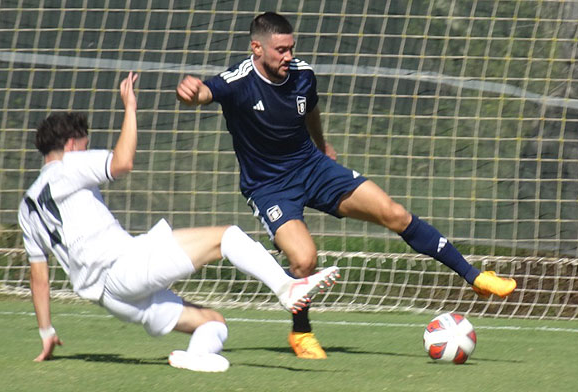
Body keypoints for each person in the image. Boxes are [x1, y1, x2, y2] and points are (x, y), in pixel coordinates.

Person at [176, 12, 517, 360]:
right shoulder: (238, 81)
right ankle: (301, 332)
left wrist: (321, 144)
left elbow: (309, 109)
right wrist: (191, 93)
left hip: (313, 166)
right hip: (269, 187)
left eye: (291, 48)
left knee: (395, 214)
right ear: (257, 48)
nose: (288, 57)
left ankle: (475, 278)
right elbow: (204, 92)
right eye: (280, 50)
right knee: (305, 260)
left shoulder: (302, 75)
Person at [18, 72, 340, 372]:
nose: (86, 148)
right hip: (123, 268)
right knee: (226, 237)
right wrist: (130, 107)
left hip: (112, 298)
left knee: (213, 322)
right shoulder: (68, 165)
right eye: (85, 143)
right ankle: (286, 288)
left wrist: (46, 330)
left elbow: (39, 278)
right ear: (72, 144)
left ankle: (197, 357)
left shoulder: (26, 207)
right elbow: (122, 162)